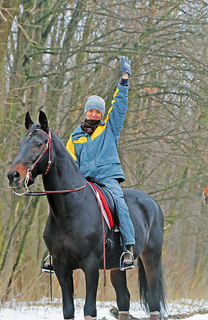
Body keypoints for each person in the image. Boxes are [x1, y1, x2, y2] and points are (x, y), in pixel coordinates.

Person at [65, 56, 136, 271]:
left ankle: (128, 249)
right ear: (86, 112)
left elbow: (120, 105)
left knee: (120, 205)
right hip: (83, 181)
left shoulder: (109, 128)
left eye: (98, 111)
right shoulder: (75, 137)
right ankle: (53, 253)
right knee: (60, 208)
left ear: (101, 114)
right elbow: (69, 163)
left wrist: (124, 79)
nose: (94, 114)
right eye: (91, 111)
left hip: (107, 179)